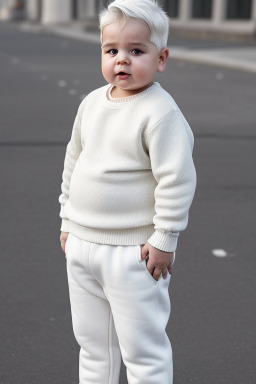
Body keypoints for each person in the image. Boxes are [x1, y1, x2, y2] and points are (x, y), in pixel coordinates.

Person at [58, 0, 197, 383]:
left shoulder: (161, 113)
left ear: (161, 57)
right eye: (112, 50)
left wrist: (165, 238)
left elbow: (177, 179)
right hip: (83, 245)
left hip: (134, 253)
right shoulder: (91, 104)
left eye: (136, 51)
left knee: (142, 350)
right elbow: (75, 162)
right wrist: (68, 220)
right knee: (93, 347)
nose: (122, 60)